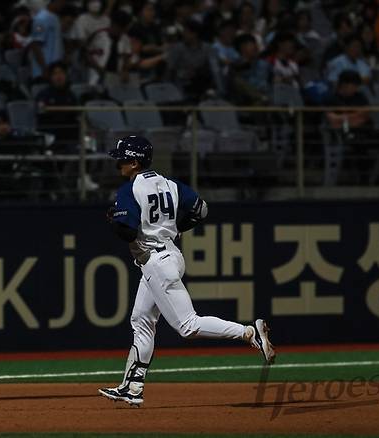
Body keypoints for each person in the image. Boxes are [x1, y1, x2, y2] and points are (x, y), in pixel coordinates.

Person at [98, 135, 276, 406]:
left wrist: (112, 221)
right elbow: (201, 210)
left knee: (187, 326)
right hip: (168, 254)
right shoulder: (171, 184)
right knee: (141, 320)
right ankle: (132, 387)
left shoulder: (129, 190)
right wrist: (176, 228)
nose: (118, 165)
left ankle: (249, 333)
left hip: (157, 261)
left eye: (121, 160)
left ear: (134, 162)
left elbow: (127, 231)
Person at [325, 70, 379, 184]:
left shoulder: (359, 96)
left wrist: (345, 117)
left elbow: (365, 115)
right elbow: (333, 121)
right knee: (360, 145)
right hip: (347, 134)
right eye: (354, 85)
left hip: (367, 130)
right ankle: (363, 180)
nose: (356, 88)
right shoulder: (331, 99)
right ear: (344, 85)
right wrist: (355, 116)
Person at [29, 0, 66, 81]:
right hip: (44, 70)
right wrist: (44, 68)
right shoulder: (41, 18)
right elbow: (35, 45)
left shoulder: (55, 17)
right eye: (62, 2)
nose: (63, 5)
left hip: (55, 69)